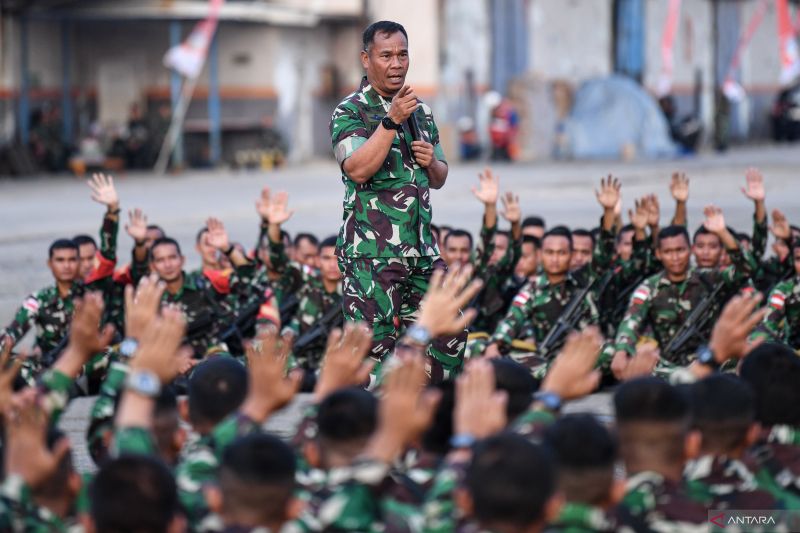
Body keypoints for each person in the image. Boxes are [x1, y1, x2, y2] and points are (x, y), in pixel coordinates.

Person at [330, 20, 464, 383]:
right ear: (366, 59)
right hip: (372, 255)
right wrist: (390, 123)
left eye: (402, 54)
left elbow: (439, 177)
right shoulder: (350, 112)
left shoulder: (420, 111)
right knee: (373, 349)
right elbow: (357, 169)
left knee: (450, 329)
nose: (396, 64)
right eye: (386, 55)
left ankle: (429, 415)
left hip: (421, 250)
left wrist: (431, 161)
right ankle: (372, 428)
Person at [612, 206, 756, 376]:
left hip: (711, 359)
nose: (675, 258)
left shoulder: (709, 278)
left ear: (690, 250)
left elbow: (746, 268)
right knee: (612, 352)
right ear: (658, 254)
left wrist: (723, 233)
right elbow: (631, 320)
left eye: (680, 250)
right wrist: (621, 352)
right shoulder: (649, 287)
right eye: (668, 252)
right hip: (667, 362)